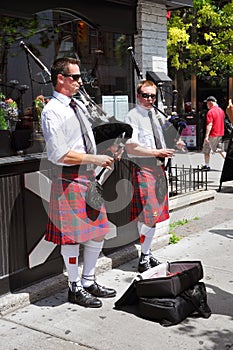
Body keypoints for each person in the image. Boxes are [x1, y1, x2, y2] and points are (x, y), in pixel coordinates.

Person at [41, 57, 117, 308]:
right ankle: (74, 288)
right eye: (75, 77)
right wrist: (94, 157)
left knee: (97, 234)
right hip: (69, 179)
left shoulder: (78, 106)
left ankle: (88, 280)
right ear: (60, 78)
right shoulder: (53, 110)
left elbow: (86, 139)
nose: (80, 82)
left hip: (88, 178)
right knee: (72, 238)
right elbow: (59, 154)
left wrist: (107, 150)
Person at [124, 80, 177, 273]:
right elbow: (131, 147)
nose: (149, 99)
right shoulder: (133, 116)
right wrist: (157, 153)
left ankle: (146, 254)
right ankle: (143, 258)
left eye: (153, 96)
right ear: (138, 96)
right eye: (145, 95)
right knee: (148, 216)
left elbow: (158, 138)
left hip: (157, 169)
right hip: (144, 168)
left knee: (153, 217)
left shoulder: (153, 114)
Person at [201, 96, 225, 170]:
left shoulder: (210, 112)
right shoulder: (221, 110)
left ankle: (207, 165)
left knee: (206, 150)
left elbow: (210, 124)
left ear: (210, 103)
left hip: (213, 134)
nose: (207, 105)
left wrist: (206, 136)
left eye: (207, 103)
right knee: (220, 149)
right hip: (220, 133)